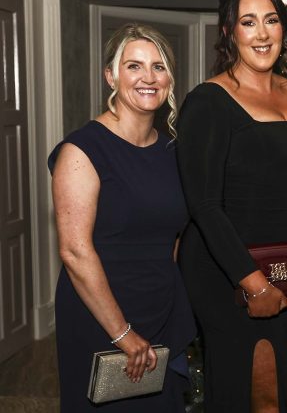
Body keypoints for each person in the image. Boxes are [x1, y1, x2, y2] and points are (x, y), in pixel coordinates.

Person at [175, 0, 287, 411]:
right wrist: (254, 284)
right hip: (230, 276)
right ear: (229, 31)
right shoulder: (207, 102)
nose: (262, 34)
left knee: (286, 388)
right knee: (260, 396)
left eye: (271, 20)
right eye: (248, 22)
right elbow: (204, 205)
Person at [49, 23, 196, 411]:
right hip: (101, 316)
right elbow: (75, 251)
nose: (149, 77)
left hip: (160, 312)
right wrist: (122, 333)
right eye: (134, 66)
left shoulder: (172, 151)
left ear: (169, 78)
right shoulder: (82, 150)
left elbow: (173, 237)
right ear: (111, 76)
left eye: (158, 67)